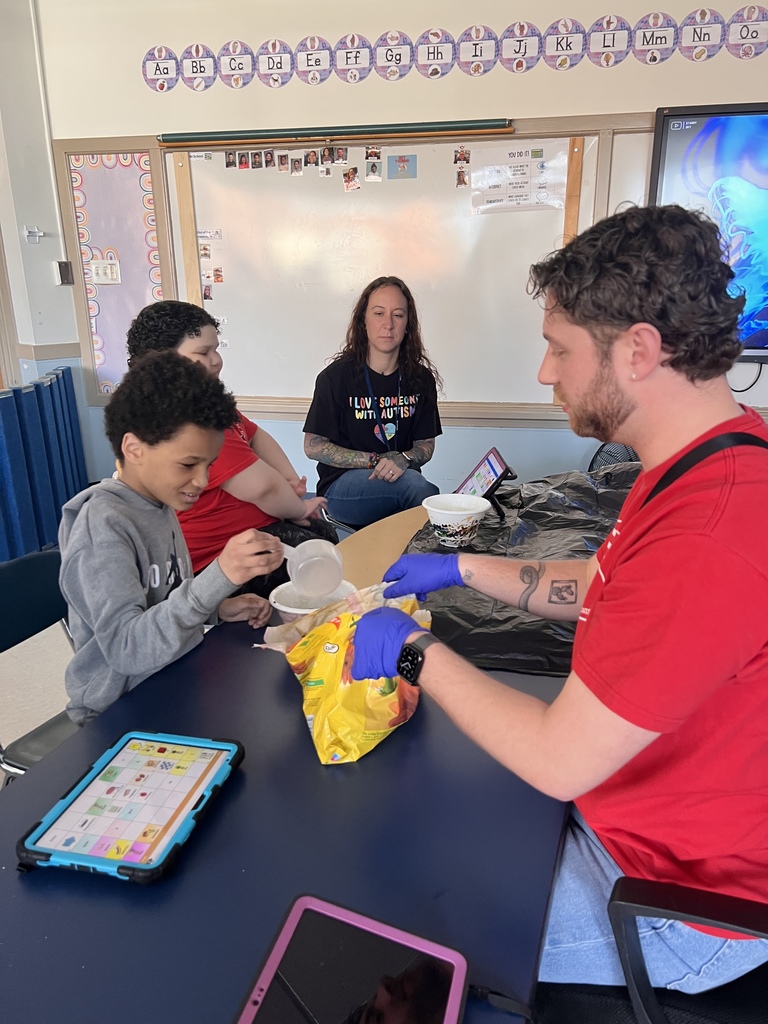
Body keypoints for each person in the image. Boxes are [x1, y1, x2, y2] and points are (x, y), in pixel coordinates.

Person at [351, 205, 768, 992]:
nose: (546, 373)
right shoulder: (706, 461)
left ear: (638, 351)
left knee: (389, 921)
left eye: (559, 348)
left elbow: (559, 760)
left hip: (674, 908)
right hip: (640, 826)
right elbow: (607, 588)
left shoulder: (710, 530)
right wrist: (464, 568)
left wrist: (414, 650)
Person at [60, 351, 284, 726]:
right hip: (118, 708)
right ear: (134, 449)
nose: (201, 480)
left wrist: (217, 608)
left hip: (173, 674)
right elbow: (127, 649)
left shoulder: (159, 503)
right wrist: (217, 578)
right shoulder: (103, 526)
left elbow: (162, 597)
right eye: (188, 464)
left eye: (208, 465)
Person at [126, 301, 337, 597]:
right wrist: (299, 507)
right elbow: (263, 489)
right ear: (164, 361)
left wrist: (289, 479)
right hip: (216, 558)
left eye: (216, 349)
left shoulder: (205, 401)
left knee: (322, 537)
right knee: (320, 557)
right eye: (202, 352)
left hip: (255, 529)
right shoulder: (182, 418)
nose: (215, 361)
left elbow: (254, 435)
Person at [303, 276, 442, 527]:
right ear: (363, 321)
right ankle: (431, 562)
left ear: (408, 324)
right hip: (342, 487)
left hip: (402, 477)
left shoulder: (421, 379)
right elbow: (313, 447)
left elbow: (426, 445)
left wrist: (403, 458)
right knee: (420, 492)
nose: (387, 324)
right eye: (379, 313)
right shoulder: (335, 378)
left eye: (398, 315)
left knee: (420, 491)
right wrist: (374, 461)